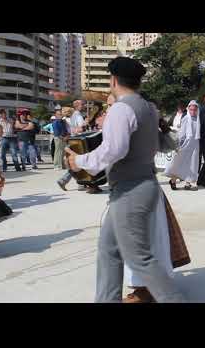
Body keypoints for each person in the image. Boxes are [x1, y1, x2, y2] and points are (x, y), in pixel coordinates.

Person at [65, 56, 185, 303]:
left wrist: (80, 161)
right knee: (109, 250)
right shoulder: (149, 108)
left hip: (130, 190)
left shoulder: (122, 108)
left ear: (113, 80)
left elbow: (114, 149)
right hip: (141, 186)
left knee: (139, 258)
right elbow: (161, 143)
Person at [165, 100, 200, 191]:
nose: (193, 111)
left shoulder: (198, 119)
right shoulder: (185, 119)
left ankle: (188, 183)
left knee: (192, 164)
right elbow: (182, 134)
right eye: (191, 109)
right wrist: (178, 145)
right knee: (179, 163)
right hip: (185, 144)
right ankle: (173, 180)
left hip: (195, 145)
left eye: (194, 110)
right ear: (188, 109)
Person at [57, 100, 88, 192]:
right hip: (79, 140)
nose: (84, 106)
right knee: (80, 162)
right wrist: (85, 124)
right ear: (77, 105)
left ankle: (68, 181)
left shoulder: (73, 115)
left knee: (78, 162)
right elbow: (80, 129)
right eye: (82, 104)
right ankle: (79, 183)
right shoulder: (78, 115)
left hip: (74, 140)